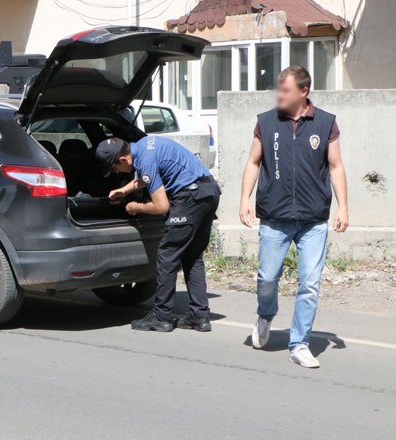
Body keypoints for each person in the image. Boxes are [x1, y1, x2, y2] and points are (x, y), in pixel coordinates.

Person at [238, 65, 348, 368]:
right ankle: (265, 315)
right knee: (267, 278)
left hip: (313, 219)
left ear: (303, 91)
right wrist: (244, 200)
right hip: (275, 216)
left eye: (285, 90)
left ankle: (299, 344)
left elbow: (336, 166)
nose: (279, 95)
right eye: (278, 89)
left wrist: (343, 206)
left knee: (309, 283)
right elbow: (253, 162)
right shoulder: (266, 122)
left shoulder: (326, 123)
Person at [96, 135, 220, 332]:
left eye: (115, 168)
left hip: (189, 196)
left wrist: (135, 206)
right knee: (193, 256)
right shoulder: (145, 145)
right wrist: (124, 190)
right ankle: (199, 316)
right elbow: (148, 177)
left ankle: (162, 316)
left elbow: (161, 207)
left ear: (123, 160)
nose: (117, 172)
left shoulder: (144, 160)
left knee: (167, 256)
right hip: (208, 191)